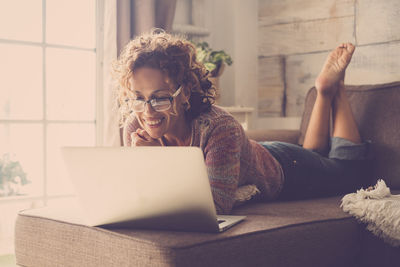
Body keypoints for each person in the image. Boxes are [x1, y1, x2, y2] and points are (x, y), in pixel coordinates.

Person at [112, 29, 369, 215]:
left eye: (160, 98)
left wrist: (160, 161)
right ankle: (325, 93)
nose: (147, 112)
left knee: (348, 172)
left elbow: (217, 204)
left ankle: (335, 89)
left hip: (287, 170)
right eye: (136, 98)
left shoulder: (219, 127)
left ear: (185, 93)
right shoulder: (136, 125)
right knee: (314, 153)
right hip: (253, 155)